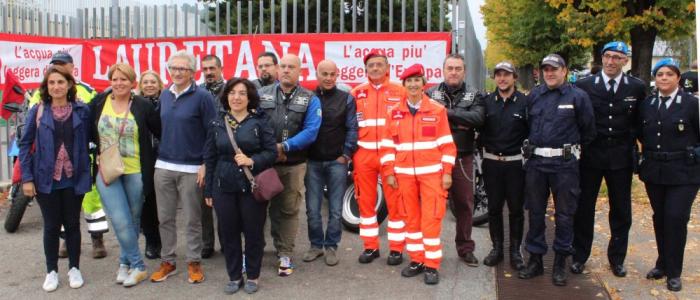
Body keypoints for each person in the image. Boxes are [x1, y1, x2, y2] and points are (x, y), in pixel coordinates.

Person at [518, 54, 596, 286]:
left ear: (565, 71)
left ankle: (560, 263)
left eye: (554, 69)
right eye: (546, 69)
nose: (549, 73)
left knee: (564, 215)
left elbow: (589, 132)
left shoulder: (578, 97)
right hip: (537, 165)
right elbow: (526, 125)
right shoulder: (534, 95)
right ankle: (535, 260)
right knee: (535, 213)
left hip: (564, 166)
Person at [571, 41, 647, 278]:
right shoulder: (584, 85)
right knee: (584, 208)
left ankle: (617, 259)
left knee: (621, 210)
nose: (611, 62)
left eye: (617, 57)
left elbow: (640, 121)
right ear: (602, 58)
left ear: (625, 61)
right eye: (608, 56)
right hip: (591, 155)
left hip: (621, 157)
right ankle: (579, 256)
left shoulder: (636, 87)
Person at [380, 64, 456, 285]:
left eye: (417, 80)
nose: (413, 84)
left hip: (432, 175)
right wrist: (389, 172)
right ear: (403, 86)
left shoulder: (437, 110)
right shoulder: (393, 113)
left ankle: (432, 265)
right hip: (403, 176)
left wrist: (447, 173)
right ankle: (417, 260)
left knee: (431, 219)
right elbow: (387, 147)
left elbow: (447, 146)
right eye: (409, 81)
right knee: (410, 218)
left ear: (424, 84)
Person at [19, 65, 92, 292]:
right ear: (46, 87)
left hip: (74, 178)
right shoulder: (38, 111)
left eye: (61, 82)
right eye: (52, 83)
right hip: (45, 179)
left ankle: (74, 268)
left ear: (69, 84)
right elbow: (24, 144)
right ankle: (51, 271)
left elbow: (92, 137)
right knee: (51, 226)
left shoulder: (81, 111)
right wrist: (27, 178)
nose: (56, 87)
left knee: (72, 224)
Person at [30, 51, 109, 259]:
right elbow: (34, 121)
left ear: (72, 67)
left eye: (63, 64)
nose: (59, 67)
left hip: (79, 157)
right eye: (55, 64)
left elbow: (93, 119)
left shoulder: (86, 90)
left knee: (92, 200)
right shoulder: (41, 92)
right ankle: (66, 241)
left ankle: (97, 237)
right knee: (59, 208)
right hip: (50, 160)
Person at [89, 63, 161, 287]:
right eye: (115, 79)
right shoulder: (99, 102)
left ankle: (124, 262)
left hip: (135, 170)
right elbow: (86, 129)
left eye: (124, 79)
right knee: (120, 219)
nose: (118, 83)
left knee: (132, 218)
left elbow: (159, 131)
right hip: (107, 170)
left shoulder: (143, 106)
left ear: (133, 83)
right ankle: (139, 266)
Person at [203, 78, 276, 294]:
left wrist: (252, 160)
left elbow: (271, 153)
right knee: (228, 233)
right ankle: (234, 276)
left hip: (252, 186)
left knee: (253, 233)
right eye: (232, 92)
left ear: (249, 97)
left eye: (242, 93)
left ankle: (253, 275)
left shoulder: (259, 121)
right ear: (226, 96)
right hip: (223, 185)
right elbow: (210, 156)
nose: (236, 97)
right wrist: (208, 189)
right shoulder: (217, 122)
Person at [149, 50, 217, 284]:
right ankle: (168, 261)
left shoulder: (203, 97)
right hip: (164, 166)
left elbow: (212, 133)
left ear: (192, 72)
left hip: (191, 168)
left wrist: (206, 164)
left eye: (182, 69)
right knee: (165, 218)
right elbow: (160, 126)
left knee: (192, 219)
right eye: (173, 68)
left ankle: (193, 262)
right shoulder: (165, 95)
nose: (177, 73)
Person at [637, 58, 699, 292]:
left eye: (669, 74)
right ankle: (662, 264)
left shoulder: (692, 104)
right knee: (660, 218)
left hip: (684, 172)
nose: (663, 78)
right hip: (655, 171)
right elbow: (643, 134)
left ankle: (674, 272)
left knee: (675, 218)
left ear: (678, 79)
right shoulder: (648, 104)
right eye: (659, 74)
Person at [258, 54, 321, 276]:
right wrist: (269, 150)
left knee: (288, 209)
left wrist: (285, 147)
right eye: (282, 66)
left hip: (293, 165)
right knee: (257, 209)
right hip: (264, 164)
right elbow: (252, 123)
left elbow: (312, 131)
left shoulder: (310, 98)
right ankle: (254, 252)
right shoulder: (261, 94)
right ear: (276, 69)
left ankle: (284, 252)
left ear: (300, 71)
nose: (286, 70)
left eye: (291, 67)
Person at [425, 53, 485, 266]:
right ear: (443, 70)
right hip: (434, 158)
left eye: (458, 68)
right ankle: (428, 249)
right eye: (450, 68)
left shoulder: (474, 94)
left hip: (462, 157)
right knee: (431, 207)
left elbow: (478, 118)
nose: (454, 72)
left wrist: (445, 113)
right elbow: (426, 124)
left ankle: (465, 248)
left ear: (464, 71)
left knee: (464, 204)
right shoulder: (430, 93)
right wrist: (461, 120)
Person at [350, 49, 407, 265]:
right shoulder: (356, 93)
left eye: (379, 64)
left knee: (395, 202)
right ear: (365, 69)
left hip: (391, 155)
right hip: (363, 155)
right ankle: (370, 247)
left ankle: (396, 249)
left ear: (388, 68)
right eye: (371, 65)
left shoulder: (401, 91)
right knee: (365, 202)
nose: (375, 68)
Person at [302, 60, 358, 266]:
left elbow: (353, 128)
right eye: (324, 74)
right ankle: (316, 245)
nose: (328, 78)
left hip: (337, 162)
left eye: (332, 74)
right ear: (317, 74)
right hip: (312, 162)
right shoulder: (308, 98)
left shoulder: (347, 99)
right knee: (312, 209)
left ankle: (332, 246)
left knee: (335, 209)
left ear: (337, 75)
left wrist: (346, 154)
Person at [478, 62, 527, 270]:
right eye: (498, 75)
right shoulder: (487, 101)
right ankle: (497, 249)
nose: (502, 79)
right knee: (494, 209)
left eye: (506, 75)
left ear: (514, 77)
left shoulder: (525, 102)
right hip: (491, 164)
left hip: (516, 164)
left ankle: (515, 251)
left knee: (516, 210)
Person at [199, 54, 225, 259]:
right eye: (205, 69)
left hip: (225, 153)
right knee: (203, 203)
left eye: (212, 68)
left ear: (220, 68)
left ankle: (226, 242)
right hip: (202, 154)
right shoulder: (197, 92)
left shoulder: (231, 91)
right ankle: (207, 244)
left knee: (224, 204)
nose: (208, 72)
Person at [137, 70, 164, 259]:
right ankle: (152, 241)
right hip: (141, 160)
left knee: (166, 204)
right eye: (145, 82)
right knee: (147, 202)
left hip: (165, 157)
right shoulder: (134, 105)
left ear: (159, 84)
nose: (149, 85)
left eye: (153, 81)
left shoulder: (168, 102)